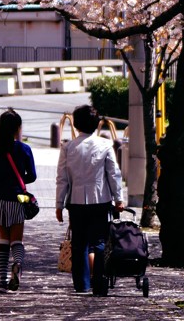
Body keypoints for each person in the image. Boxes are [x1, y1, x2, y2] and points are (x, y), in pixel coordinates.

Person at [55, 103, 124, 294]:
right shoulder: (105, 144)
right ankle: (100, 284)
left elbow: (62, 178)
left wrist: (59, 204)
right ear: (97, 124)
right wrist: (119, 198)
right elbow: (113, 174)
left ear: (76, 125)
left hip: (75, 201)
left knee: (79, 244)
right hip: (100, 199)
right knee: (100, 242)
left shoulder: (68, 147)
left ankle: (82, 284)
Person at [0, 108, 37, 293]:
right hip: (17, 199)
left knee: (3, 240)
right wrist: (17, 180)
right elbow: (32, 176)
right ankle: (18, 264)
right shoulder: (25, 149)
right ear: (17, 129)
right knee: (17, 240)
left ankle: (3, 281)